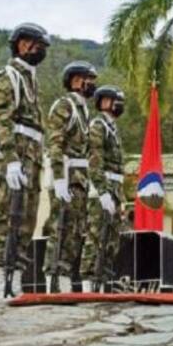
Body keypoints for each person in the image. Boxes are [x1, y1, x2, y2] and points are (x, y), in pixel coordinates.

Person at [0, 23, 50, 299]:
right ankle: (0, 281)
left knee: (27, 218)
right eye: (37, 45)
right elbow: (2, 119)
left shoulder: (31, 80)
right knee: (5, 215)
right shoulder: (8, 76)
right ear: (22, 44)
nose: (40, 51)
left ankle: (17, 277)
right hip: (16, 154)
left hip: (32, 156)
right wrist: (10, 158)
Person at [45, 61, 96, 293]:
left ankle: (65, 277)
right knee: (60, 229)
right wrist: (58, 178)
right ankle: (53, 281)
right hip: (66, 177)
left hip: (80, 180)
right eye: (88, 79)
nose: (92, 84)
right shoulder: (64, 106)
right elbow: (55, 143)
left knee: (75, 232)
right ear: (75, 80)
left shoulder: (83, 110)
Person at [84, 85, 125, 290]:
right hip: (102, 190)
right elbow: (95, 161)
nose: (118, 104)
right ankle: (88, 283)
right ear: (103, 102)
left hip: (115, 189)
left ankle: (103, 281)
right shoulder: (98, 125)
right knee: (95, 238)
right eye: (114, 100)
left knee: (111, 240)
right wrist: (102, 191)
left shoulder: (113, 128)